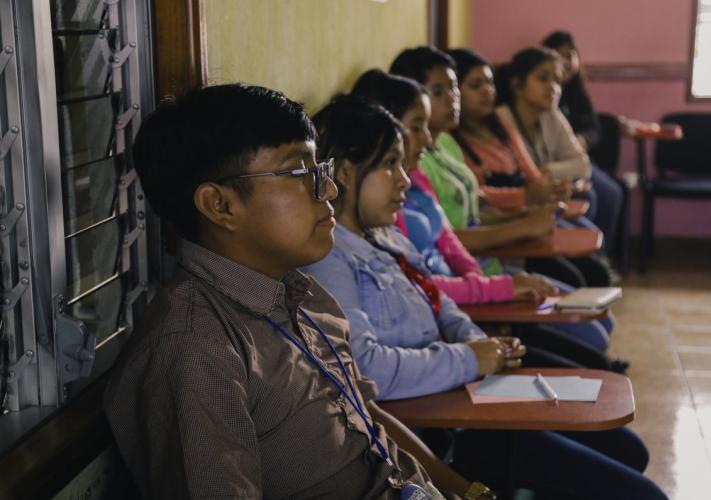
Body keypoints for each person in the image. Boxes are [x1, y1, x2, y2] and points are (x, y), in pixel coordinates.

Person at [103, 83, 497, 499]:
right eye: (300, 174)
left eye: (319, 170)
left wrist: (468, 493)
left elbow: (367, 419)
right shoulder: (195, 347)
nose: (329, 190)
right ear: (220, 205)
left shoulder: (300, 293)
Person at [304, 94, 667, 500]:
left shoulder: (384, 235)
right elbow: (368, 370)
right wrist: (469, 358)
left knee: (625, 448)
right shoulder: (330, 260)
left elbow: (438, 301)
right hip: (441, 431)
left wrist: (477, 341)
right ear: (346, 172)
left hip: (469, 395)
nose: (404, 179)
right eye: (390, 164)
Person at [350, 68, 617, 357]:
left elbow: (450, 244)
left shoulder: (425, 169)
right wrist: (497, 287)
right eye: (417, 126)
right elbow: (420, 287)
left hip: (470, 297)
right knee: (590, 338)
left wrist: (488, 292)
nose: (426, 139)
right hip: (455, 315)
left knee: (594, 323)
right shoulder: (382, 208)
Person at [447, 47, 612, 287]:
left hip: (525, 216)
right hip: (500, 229)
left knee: (595, 266)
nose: (486, 91)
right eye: (475, 85)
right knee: (576, 277)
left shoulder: (500, 126)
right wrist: (526, 196)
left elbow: (535, 176)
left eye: (490, 83)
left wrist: (548, 189)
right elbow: (477, 196)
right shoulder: (452, 141)